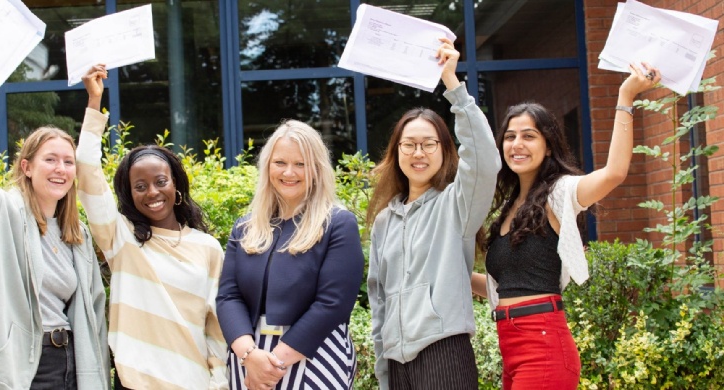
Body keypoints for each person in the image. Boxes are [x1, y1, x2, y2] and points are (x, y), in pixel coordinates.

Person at [471, 63, 661, 389]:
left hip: (543, 343)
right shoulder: (505, 210)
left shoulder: (561, 193)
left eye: (529, 136)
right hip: (510, 346)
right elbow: (504, 286)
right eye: (510, 136)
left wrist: (625, 95)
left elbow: (615, 172)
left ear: (548, 145)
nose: (517, 144)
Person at [0, 46, 110, 389]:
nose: (61, 169)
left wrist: (93, 103)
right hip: (28, 366)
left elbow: (92, 310)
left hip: (76, 362)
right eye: (50, 159)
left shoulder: (75, 234)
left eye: (67, 161)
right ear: (27, 167)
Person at [76, 65, 228, 389]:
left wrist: (220, 382)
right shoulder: (123, 240)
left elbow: (217, 327)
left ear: (176, 186)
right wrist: (93, 101)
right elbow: (87, 174)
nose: (152, 192)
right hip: (135, 384)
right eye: (140, 186)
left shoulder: (208, 248)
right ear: (130, 195)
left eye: (160, 182)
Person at [365, 38, 501, 390]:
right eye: (409, 145)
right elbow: (379, 303)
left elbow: (485, 160)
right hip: (397, 362)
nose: (418, 152)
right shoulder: (384, 222)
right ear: (396, 152)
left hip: (444, 350)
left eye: (429, 143)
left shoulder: (456, 204)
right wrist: (384, 374)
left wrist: (452, 85)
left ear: (445, 151)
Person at [215, 119, 365, 390]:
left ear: (317, 169)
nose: (289, 172)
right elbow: (228, 296)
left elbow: (333, 304)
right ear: (267, 166)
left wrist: (272, 363)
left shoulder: (338, 223)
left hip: (314, 355)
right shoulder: (245, 226)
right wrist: (250, 355)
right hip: (249, 357)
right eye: (280, 162)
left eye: (300, 164)